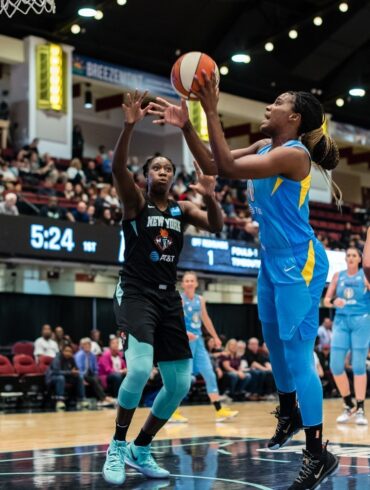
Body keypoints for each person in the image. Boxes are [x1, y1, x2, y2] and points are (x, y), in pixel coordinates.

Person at [149, 84, 340, 488]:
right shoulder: (263, 145)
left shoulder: (293, 154)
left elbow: (229, 170)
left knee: (298, 354)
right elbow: (212, 165)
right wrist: (187, 127)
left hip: (299, 262)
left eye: (279, 104)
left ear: (295, 119)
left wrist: (212, 108)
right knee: (274, 342)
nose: (269, 106)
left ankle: (317, 453)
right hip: (271, 260)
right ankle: (288, 411)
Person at [102, 90, 223, 485]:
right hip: (136, 293)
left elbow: (217, 226)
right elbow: (118, 170)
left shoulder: (182, 209)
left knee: (180, 385)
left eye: (168, 169)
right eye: (156, 168)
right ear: (146, 176)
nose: (163, 172)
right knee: (138, 370)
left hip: (167, 296)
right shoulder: (136, 203)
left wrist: (211, 197)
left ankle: (141, 446)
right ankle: (117, 447)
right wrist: (128, 127)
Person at [171, 271, 238, 423]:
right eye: (186, 280)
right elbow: (174, 320)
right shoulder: (179, 299)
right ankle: (173, 411)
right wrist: (185, 332)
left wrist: (215, 336)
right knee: (185, 378)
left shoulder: (200, 299)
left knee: (209, 373)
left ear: (196, 283)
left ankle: (219, 410)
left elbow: (206, 319)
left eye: (191, 280)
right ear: (182, 284)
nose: (189, 283)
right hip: (184, 341)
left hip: (199, 341)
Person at [324, 247, 370, 425]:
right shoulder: (338, 276)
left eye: (354, 255)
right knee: (335, 366)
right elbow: (326, 300)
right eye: (348, 255)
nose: (350, 258)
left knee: (358, 365)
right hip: (341, 321)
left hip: (362, 321)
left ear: (360, 259)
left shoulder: (365, 275)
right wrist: (335, 301)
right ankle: (347, 403)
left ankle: (360, 409)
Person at [46, 344, 88, 411]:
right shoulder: (57, 358)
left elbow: (75, 369)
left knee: (79, 378)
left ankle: (82, 400)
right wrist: (70, 372)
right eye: (66, 351)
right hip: (52, 378)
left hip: (66, 378)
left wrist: (76, 373)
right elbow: (56, 372)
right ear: (62, 351)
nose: (68, 353)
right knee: (60, 378)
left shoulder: (72, 359)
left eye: (70, 351)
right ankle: (60, 401)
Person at [74, 338, 113, 406]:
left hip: (90, 374)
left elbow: (96, 368)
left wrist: (96, 374)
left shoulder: (92, 355)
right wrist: (82, 379)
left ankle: (100, 399)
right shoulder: (79, 355)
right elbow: (78, 369)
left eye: (89, 344)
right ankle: (103, 398)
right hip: (81, 375)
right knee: (93, 379)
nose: (88, 346)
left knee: (97, 378)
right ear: (82, 346)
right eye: (85, 344)